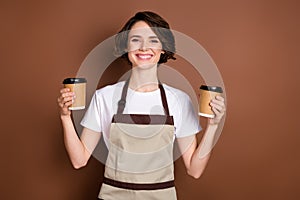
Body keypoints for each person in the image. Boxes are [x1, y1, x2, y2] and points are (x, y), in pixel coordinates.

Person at [57, 11, 226, 200]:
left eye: (153, 40)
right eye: (136, 39)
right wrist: (65, 117)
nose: (144, 47)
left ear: (163, 49)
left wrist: (213, 125)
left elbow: (195, 170)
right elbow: (78, 160)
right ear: (126, 47)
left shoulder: (179, 100)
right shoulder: (104, 97)